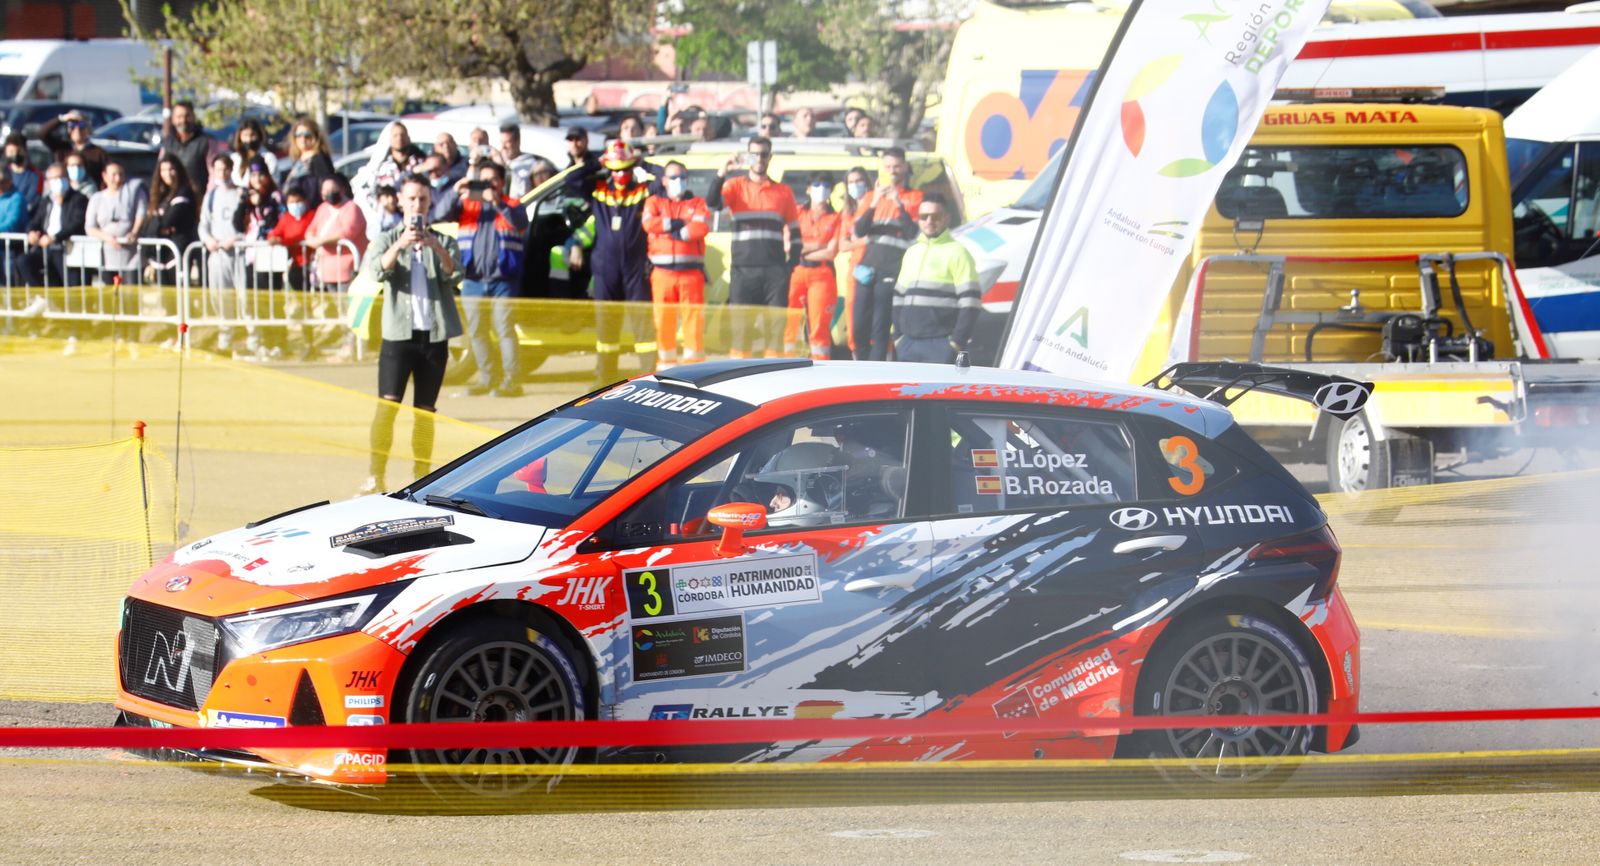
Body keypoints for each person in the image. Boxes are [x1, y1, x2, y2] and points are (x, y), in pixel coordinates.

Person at [360, 173, 463, 495]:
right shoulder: (388, 238)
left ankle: (422, 476)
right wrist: (401, 244)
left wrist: (433, 246)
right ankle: (376, 475)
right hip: (398, 336)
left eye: (423, 199)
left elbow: (456, 274)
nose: (417, 204)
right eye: (412, 198)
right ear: (401, 202)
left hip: (433, 337)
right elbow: (376, 270)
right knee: (387, 407)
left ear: (430, 202)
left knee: (425, 412)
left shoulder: (442, 240)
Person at [564, 139, 661, 381]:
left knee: (643, 327)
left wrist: (642, 162)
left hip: (635, 268)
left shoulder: (642, 190)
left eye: (625, 168)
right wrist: (597, 160)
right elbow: (570, 180)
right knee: (606, 327)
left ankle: (648, 377)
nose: (620, 174)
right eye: (615, 169)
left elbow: (662, 181)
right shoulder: (599, 190)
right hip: (605, 268)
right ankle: (605, 378)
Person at [708, 135, 802, 358]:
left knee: (774, 334)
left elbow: (796, 232)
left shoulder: (783, 192)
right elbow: (712, 203)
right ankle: (739, 384)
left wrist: (790, 266)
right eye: (755, 154)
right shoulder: (735, 187)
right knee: (741, 333)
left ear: (770, 157)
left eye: (764, 154)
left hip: (775, 273)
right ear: (748, 156)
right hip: (743, 271)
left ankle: (774, 383)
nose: (759, 159)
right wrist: (722, 172)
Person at [451, 160, 529, 397]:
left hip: (502, 280)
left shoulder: (512, 204)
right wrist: (458, 190)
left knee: (504, 329)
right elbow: (439, 211)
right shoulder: (467, 206)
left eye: (492, 180)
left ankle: (512, 381)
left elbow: (520, 223)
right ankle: (487, 379)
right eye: (482, 181)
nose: (486, 185)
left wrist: (496, 203)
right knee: (476, 331)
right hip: (473, 279)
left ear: (501, 183)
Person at [852, 147, 923, 360]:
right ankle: (860, 370)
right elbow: (858, 231)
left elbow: (912, 234)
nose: (892, 171)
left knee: (880, 327)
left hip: (892, 268)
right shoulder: (870, 197)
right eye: (888, 167)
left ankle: (875, 373)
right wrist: (874, 202)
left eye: (897, 166)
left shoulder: (914, 197)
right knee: (858, 327)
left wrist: (898, 203)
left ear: (905, 167)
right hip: (867, 267)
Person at [891, 194, 980, 363]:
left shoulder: (958, 252)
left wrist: (955, 343)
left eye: (936, 216)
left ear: (946, 218)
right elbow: (898, 297)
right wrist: (898, 337)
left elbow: (971, 302)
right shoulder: (912, 252)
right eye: (924, 216)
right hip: (907, 343)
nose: (929, 221)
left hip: (940, 345)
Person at [642, 160, 711, 367]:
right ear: (663, 180)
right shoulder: (653, 202)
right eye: (673, 177)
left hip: (691, 274)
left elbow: (701, 227)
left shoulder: (698, 202)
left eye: (681, 177)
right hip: (662, 274)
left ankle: (695, 369)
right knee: (663, 322)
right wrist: (678, 224)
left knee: (693, 324)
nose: (678, 182)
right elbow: (648, 224)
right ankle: (666, 368)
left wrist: (673, 232)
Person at [784, 175, 841, 360]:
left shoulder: (835, 217)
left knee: (819, 327)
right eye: (816, 185)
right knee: (789, 322)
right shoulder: (798, 212)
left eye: (826, 185)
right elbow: (787, 245)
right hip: (796, 271)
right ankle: (784, 365)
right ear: (808, 188)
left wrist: (802, 248)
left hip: (822, 274)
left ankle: (821, 369)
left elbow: (831, 252)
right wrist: (818, 245)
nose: (821, 189)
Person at [523, 156, 591, 299]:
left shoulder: (567, 196)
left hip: (569, 250)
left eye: (544, 172)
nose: (541, 177)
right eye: (537, 174)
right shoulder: (532, 199)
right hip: (537, 260)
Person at [198, 153, 247, 352]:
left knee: (244, 295)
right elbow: (203, 224)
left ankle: (251, 334)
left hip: (239, 253)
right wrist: (208, 239)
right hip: (217, 254)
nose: (222, 173)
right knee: (219, 294)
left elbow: (249, 224)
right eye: (218, 169)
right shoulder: (211, 196)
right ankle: (225, 333)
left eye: (225, 169)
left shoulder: (240, 193)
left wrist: (236, 239)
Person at [19, 162, 88, 287]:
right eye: (54, 179)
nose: (58, 181)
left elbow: (76, 223)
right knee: (24, 261)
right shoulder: (47, 201)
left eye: (61, 177)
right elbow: (35, 221)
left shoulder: (78, 199)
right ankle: (42, 297)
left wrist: (55, 237)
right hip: (46, 248)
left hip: (66, 248)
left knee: (71, 284)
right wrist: (31, 232)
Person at [84, 161, 147, 285]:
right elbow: (90, 227)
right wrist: (107, 238)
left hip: (131, 256)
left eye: (121, 174)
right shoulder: (97, 198)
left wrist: (134, 232)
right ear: (105, 176)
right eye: (114, 175)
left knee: (131, 294)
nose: (117, 179)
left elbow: (141, 213)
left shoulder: (134, 191)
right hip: (106, 257)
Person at [141, 154, 198, 287]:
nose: (168, 174)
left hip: (178, 253)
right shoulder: (159, 195)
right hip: (160, 255)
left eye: (171, 169)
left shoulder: (184, 193)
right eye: (163, 170)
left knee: (179, 296)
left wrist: (159, 225)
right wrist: (157, 226)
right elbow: (148, 225)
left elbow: (168, 221)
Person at [836, 165, 873, 354]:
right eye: (851, 182)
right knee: (853, 320)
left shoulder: (874, 204)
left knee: (874, 321)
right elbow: (842, 245)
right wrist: (864, 240)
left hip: (875, 266)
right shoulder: (848, 211)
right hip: (855, 269)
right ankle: (856, 355)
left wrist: (854, 241)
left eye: (859, 181)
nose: (855, 185)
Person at [159, 101, 221, 195]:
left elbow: (214, 172)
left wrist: (208, 197)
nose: (183, 120)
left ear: (194, 117)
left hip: (199, 198)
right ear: (173, 120)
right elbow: (160, 171)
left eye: (187, 116)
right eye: (179, 117)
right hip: (173, 198)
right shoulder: (168, 143)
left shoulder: (206, 141)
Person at [38, 110, 107, 182]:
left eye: (82, 126)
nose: (77, 130)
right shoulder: (62, 148)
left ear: (88, 129)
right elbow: (41, 133)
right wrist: (62, 118)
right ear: (68, 130)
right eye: (73, 126)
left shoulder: (98, 153)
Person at [370, 123, 425, 212]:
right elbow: (371, 194)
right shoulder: (381, 167)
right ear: (390, 139)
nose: (399, 138)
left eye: (402, 135)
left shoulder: (421, 163)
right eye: (395, 135)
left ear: (408, 138)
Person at [282, 116, 335, 206]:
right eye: (298, 135)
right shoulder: (298, 161)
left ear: (315, 137)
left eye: (307, 135)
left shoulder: (319, 159)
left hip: (313, 211)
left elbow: (325, 188)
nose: (303, 139)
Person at [228, 118, 279, 188]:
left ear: (259, 136)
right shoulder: (234, 158)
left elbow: (273, 182)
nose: (249, 140)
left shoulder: (268, 158)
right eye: (245, 136)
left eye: (252, 135)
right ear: (239, 137)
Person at [499, 123, 539, 199]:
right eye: (501, 142)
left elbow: (522, 192)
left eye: (507, 142)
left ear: (518, 142)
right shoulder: (497, 161)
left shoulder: (530, 164)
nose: (503, 147)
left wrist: (504, 166)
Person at [4, 134, 39, 212]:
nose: (15, 155)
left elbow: (32, 201)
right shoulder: (3, 174)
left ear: (25, 151)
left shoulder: (34, 176)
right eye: (11, 152)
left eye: (18, 151)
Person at [0, 170, 25, 234]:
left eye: (1, 181)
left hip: (8, 242)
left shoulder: (16, 198)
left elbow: (11, 224)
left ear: (9, 182)